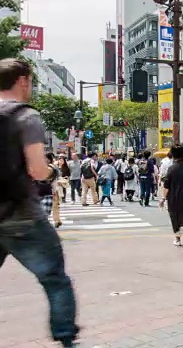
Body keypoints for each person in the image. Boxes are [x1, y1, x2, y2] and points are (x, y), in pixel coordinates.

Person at [0, 58, 79, 347]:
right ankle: (65, 337)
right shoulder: (25, 117)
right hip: (21, 214)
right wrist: (53, 171)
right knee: (54, 278)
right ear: (22, 81)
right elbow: (37, 170)